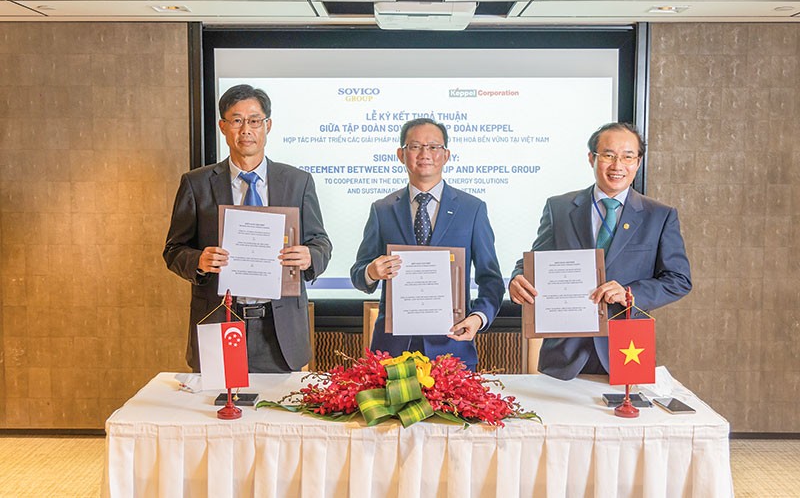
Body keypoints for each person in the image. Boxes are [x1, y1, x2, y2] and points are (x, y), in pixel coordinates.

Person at [164, 84, 332, 373]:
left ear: (267, 125)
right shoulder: (197, 183)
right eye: (236, 120)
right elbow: (174, 250)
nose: (246, 130)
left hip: (279, 329)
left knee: (278, 415)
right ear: (222, 126)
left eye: (254, 120)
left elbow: (320, 242)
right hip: (220, 319)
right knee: (216, 413)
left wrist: (309, 257)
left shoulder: (297, 182)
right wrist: (199, 261)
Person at [509, 122, 691, 380]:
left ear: (637, 163)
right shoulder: (559, 207)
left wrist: (630, 293)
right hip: (564, 353)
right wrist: (518, 277)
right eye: (608, 155)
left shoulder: (659, 216)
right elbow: (537, 260)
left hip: (627, 351)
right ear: (591, 158)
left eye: (628, 156)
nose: (618, 165)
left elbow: (679, 280)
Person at [350, 118, 504, 369]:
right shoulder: (382, 210)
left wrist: (478, 318)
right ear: (401, 154)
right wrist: (371, 271)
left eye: (433, 147)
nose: (425, 154)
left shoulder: (472, 209)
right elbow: (359, 274)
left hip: (451, 348)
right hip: (393, 351)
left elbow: (491, 279)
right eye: (415, 147)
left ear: (446, 155)